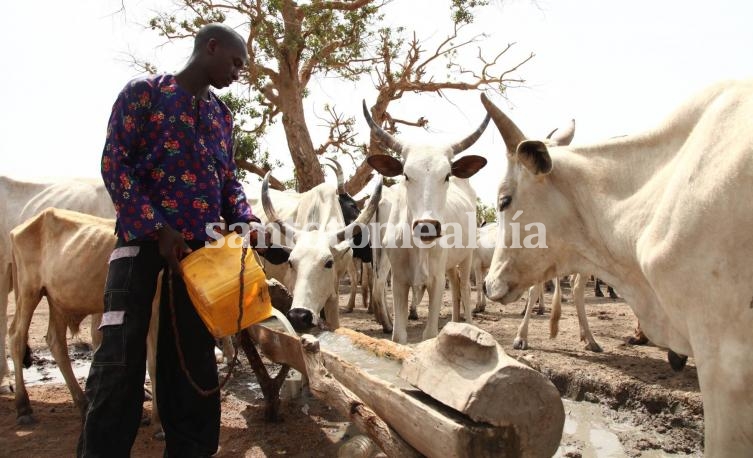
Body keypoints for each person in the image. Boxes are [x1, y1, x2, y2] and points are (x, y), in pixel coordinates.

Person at [78, 23, 263, 457]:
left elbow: (228, 181)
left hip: (200, 259)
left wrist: (245, 220)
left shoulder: (221, 115)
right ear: (210, 48)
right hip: (139, 246)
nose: (239, 72)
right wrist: (157, 227)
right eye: (236, 62)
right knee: (119, 361)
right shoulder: (143, 94)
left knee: (193, 363)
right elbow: (114, 165)